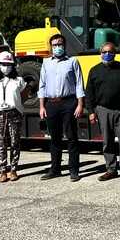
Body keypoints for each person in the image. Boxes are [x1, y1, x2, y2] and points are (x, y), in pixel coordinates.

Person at [38, 33, 86, 181]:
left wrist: (80, 104)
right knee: (55, 138)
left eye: (60, 44)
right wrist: (42, 106)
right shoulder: (46, 63)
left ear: (64, 45)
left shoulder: (73, 61)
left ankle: (74, 170)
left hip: (69, 103)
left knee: (71, 137)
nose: (57, 47)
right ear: (51, 47)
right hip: (51, 104)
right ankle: (55, 169)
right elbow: (42, 85)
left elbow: (79, 84)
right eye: (54, 45)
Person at [87, 42, 120, 183]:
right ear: (100, 53)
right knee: (107, 141)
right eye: (104, 52)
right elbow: (89, 93)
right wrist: (91, 111)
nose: (107, 54)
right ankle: (111, 169)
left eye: (110, 52)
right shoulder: (94, 70)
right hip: (103, 110)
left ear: (115, 53)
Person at [0, 51, 29, 183]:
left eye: (9, 64)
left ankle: (13, 170)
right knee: (1, 144)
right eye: (3, 64)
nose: (6, 67)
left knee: (15, 142)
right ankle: (3, 171)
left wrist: (16, 104)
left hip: (14, 113)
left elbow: (24, 96)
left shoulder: (18, 80)